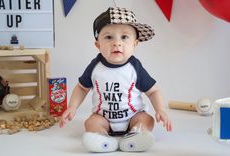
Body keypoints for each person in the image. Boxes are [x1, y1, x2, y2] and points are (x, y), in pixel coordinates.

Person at [59, 7, 172, 152]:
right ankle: (102, 138)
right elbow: (82, 87)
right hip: (103, 118)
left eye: (124, 37)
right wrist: (72, 107)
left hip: (133, 116)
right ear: (98, 44)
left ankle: (136, 135)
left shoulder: (134, 68)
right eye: (108, 37)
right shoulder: (95, 67)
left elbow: (153, 91)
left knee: (147, 120)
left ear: (135, 44)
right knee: (90, 123)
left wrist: (160, 110)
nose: (116, 43)